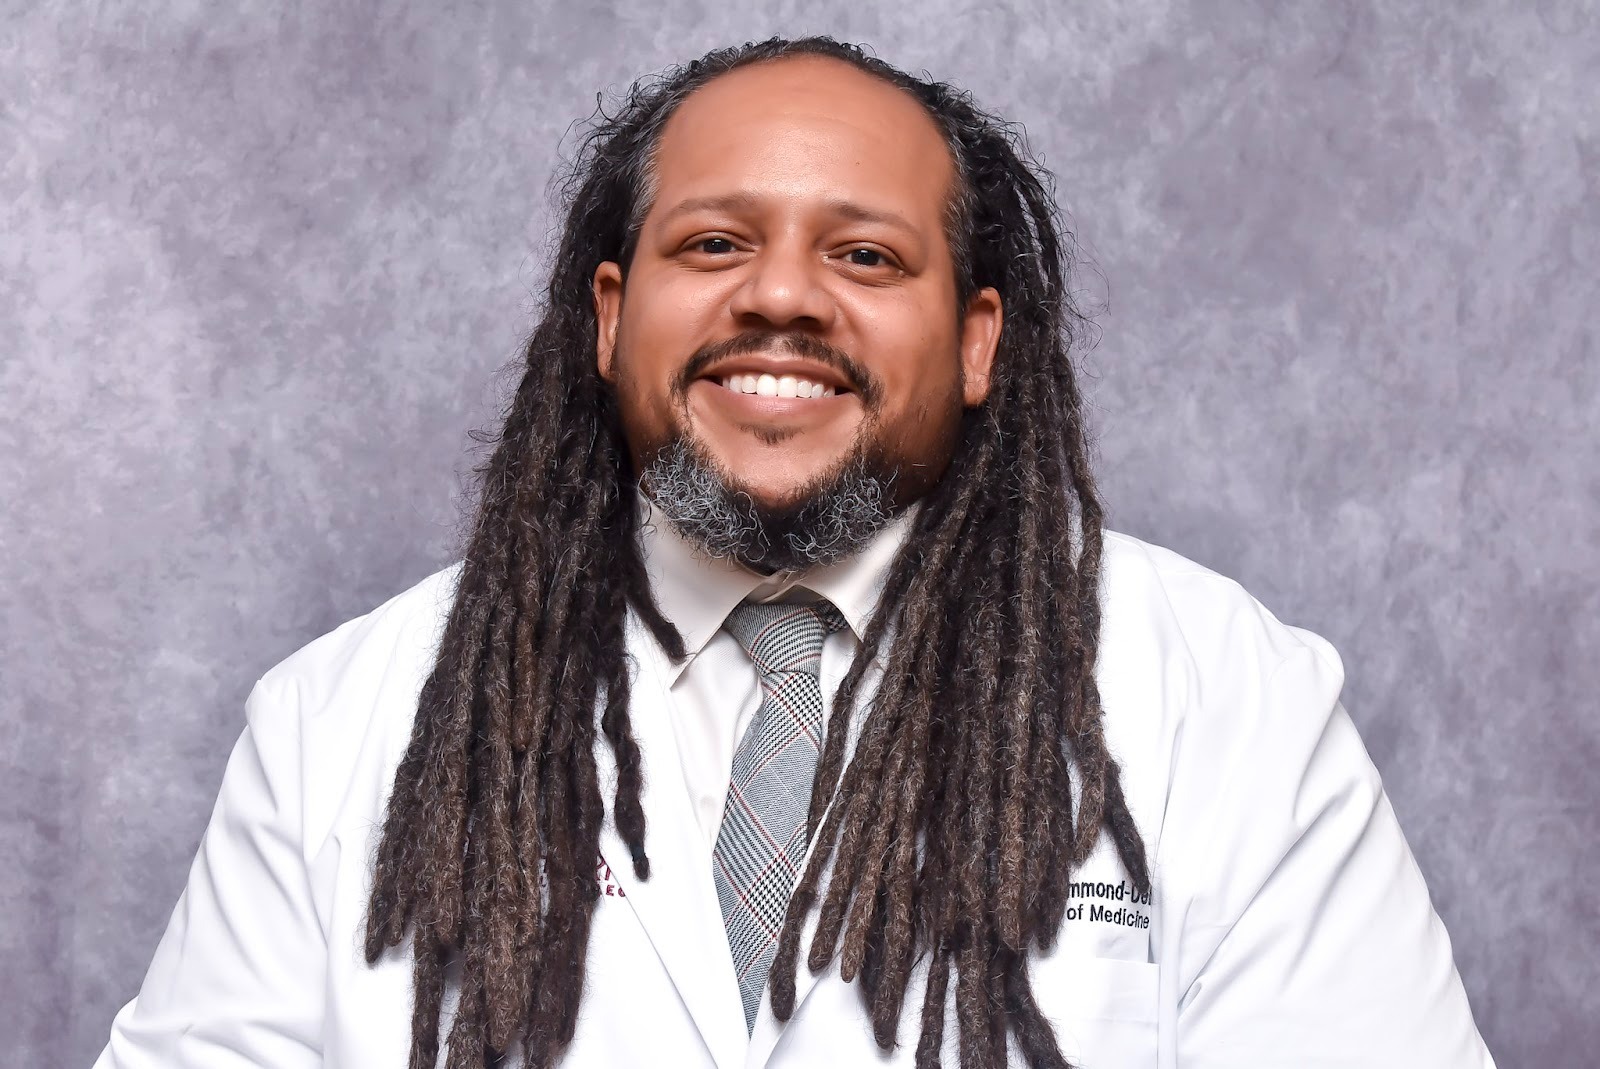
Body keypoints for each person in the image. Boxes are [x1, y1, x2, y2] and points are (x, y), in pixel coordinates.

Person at [95, 37, 1495, 1069]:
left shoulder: (1223, 694)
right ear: (609, 317)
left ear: (978, 342)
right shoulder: (339, 719)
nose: (779, 295)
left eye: (866, 258)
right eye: (714, 243)